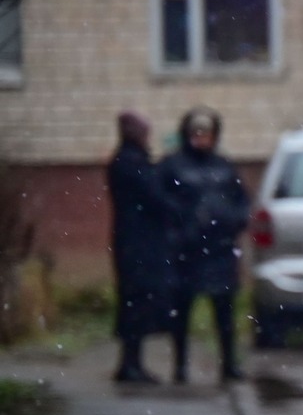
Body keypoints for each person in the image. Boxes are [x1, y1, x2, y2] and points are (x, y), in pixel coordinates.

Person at [159, 107, 250, 384]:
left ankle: (229, 365)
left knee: (225, 313)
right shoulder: (173, 166)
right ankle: (180, 366)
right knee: (181, 313)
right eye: (196, 133)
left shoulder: (223, 166)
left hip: (220, 250)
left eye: (206, 134)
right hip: (187, 253)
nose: (201, 139)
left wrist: (235, 220)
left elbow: (241, 198)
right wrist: (182, 227)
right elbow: (161, 203)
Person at [106, 112, 180, 383]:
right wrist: (178, 210)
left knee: (133, 302)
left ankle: (131, 362)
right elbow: (154, 197)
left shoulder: (125, 161)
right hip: (138, 245)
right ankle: (130, 365)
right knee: (137, 303)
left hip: (132, 242)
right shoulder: (131, 163)